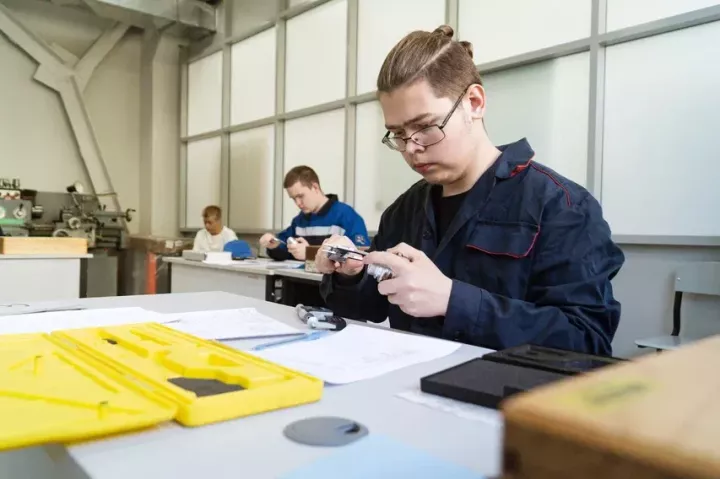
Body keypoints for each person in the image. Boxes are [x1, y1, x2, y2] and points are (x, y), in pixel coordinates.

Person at [315, 25, 625, 355]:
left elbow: (586, 341)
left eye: (425, 127)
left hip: (507, 399)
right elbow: (371, 308)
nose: (412, 148)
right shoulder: (404, 211)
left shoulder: (561, 207)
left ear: (474, 103)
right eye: (398, 134)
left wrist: (453, 301)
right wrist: (350, 276)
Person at [260, 166, 369, 261]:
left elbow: (358, 255)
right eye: (293, 199)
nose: (298, 203)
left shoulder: (346, 216)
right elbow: (284, 250)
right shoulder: (299, 221)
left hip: (331, 283)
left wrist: (310, 253)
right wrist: (274, 246)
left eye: (300, 196)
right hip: (299, 281)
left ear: (315, 187)